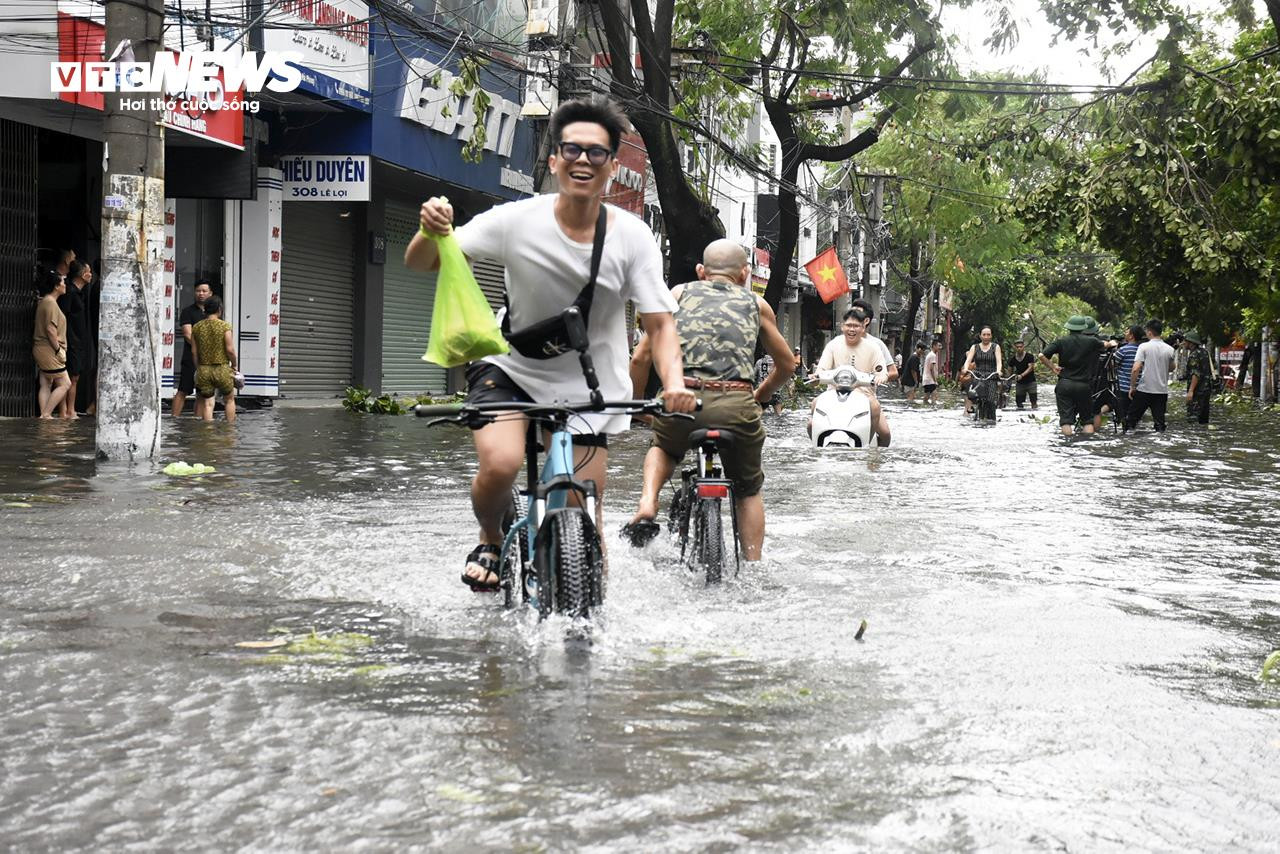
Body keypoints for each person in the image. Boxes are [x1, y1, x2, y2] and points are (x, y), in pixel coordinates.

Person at [405, 98, 697, 591]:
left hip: (591, 386)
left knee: (586, 514)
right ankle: (490, 538)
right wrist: (430, 231)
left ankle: (587, 618)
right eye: (572, 150)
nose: (584, 160)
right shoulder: (514, 219)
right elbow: (423, 263)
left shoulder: (633, 237)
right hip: (511, 368)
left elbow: (660, 324)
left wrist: (674, 384)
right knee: (501, 464)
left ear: (612, 165)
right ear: (556, 159)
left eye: (597, 152)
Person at [623, 240, 794, 560]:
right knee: (748, 490)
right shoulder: (757, 304)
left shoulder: (677, 295)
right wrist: (760, 396)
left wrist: (638, 405)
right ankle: (753, 564)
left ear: (701, 272)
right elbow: (786, 365)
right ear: (744, 274)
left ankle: (648, 502)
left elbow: (640, 358)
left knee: (663, 446)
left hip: (682, 400)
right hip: (737, 405)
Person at [810, 307, 891, 444]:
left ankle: (869, 448)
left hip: (865, 396)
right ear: (842, 326)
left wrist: (881, 377)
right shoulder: (833, 345)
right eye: (848, 325)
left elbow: (882, 371)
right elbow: (822, 369)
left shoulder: (873, 347)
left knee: (885, 433)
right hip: (834, 394)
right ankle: (817, 448)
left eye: (856, 326)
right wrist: (816, 377)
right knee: (814, 406)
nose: (852, 329)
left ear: (863, 328)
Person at [1039, 315, 1113, 436]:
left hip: (1064, 384)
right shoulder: (1091, 341)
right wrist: (1111, 343)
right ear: (1083, 328)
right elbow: (1105, 345)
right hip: (1083, 385)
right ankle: (1086, 443)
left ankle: (1068, 443)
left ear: (1068, 327)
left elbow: (1041, 355)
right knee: (1087, 421)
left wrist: (1053, 367)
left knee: (1066, 422)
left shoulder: (1061, 341)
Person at [189, 295, 239, 423]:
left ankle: (207, 430)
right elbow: (230, 350)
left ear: (205, 310)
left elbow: (194, 352)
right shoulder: (225, 326)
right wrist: (234, 365)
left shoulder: (197, 327)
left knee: (208, 404)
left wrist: (198, 368)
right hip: (222, 369)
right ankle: (230, 429)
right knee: (229, 400)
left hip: (204, 370)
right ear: (219, 309)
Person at [1123, 319, 1177, 433]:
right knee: (1160, 424)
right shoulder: (1170, 349)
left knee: (1130, 422)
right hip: (1161, 391)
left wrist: (1132, 387)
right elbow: (1172, 367)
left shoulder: (1144, 347)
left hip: (1144, 389)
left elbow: (1136, 369)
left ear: (1149, 332)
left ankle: (1127, 439)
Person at [57, 259, 94, 419]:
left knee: (75, 376)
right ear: (82, 274)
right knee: (70, 376)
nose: (91, 275)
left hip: (79, 340)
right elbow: (63, 317)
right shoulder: (70, 293)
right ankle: (66, 410)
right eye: (88, 272)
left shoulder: (80, 293)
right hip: (71, 340)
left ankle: (69, 409)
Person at [33, 269, 71, 419]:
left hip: (41, 349)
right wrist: (58, 350)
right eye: (62, 282)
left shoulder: (46, 302)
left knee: (46, 383)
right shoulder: (50, 304)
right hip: (49, 350)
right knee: (65, 383)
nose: (64, 285)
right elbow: (50, 330)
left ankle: (45, 417)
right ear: (56, 286)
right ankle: (46, 414)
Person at [172, 281, 211, 417]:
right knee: (183, 389)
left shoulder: (212, 314)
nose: (201, 294)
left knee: (201, 392)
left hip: (207, 359)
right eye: (198, 291)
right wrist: (202, 348)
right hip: (190, 357)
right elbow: (188, 334)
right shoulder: (188, 312)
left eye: (204, 291)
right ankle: (174, 418)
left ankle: (197, 420)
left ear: (210, 293)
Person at [851, 298, 899, 383]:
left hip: (867, 390)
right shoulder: (839, 343)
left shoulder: (877, 344)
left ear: (866, 320)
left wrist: (876, 379)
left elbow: (893, 372)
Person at [961, 326, 1003, 416]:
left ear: (991, 336)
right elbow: (968, 360)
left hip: (991, 376)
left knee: (990, 401)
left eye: (988, 335)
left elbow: (999, 361)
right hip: (978, 376)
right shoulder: (974, 347)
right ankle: (975, 412)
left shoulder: (996, 347)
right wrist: (965, 368)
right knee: (975, 397)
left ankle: (991, 418)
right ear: (980, 336)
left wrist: (999, 371)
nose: (986, 337)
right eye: (984, 335)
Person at [1112, 325, 1141, 428]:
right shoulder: (1142, 350)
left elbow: (1111, 364)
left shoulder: (1123, 350)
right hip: (1138, 388)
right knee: (1133, 418)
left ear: (1131, 336)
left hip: (1123, 388)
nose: (1125, 334)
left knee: (1122, 417)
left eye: (1127, 332)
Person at [1183, 330, 1212, 424]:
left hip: (1197, 393)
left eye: (1185, 341)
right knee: (1203, 421)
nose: (1183, 343)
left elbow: (1196, 374)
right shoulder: (1204, 352)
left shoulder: (1194, 355)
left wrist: (1190, 391)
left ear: (1191, 343)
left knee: (1193, 421)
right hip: (1206, 391)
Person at [1007, 338, 1037, 409]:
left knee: (1033, 401)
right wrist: (1010, 378)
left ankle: (1034, 412)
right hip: (1020, 383)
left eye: (1020, 347)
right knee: (1019, 402)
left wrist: (1021, 375)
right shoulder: (1013, 359)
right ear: (1015, 347)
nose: (1019, 348)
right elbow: (1009, 369)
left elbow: (1030, 368)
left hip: (1031, 381)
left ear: (1023, 347)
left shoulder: (1029, 356)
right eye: (1017, 347)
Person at [921, 339, 941, 404]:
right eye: (938, 346)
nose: (939, 348)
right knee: (934, 396)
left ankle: (925, 407)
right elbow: (931, 369)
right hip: (930, 380)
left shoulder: (930, 354)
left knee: (926, 397)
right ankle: (933, 408)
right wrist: (935, 380)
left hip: (926, 379)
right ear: (934, 346)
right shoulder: (933, 355)